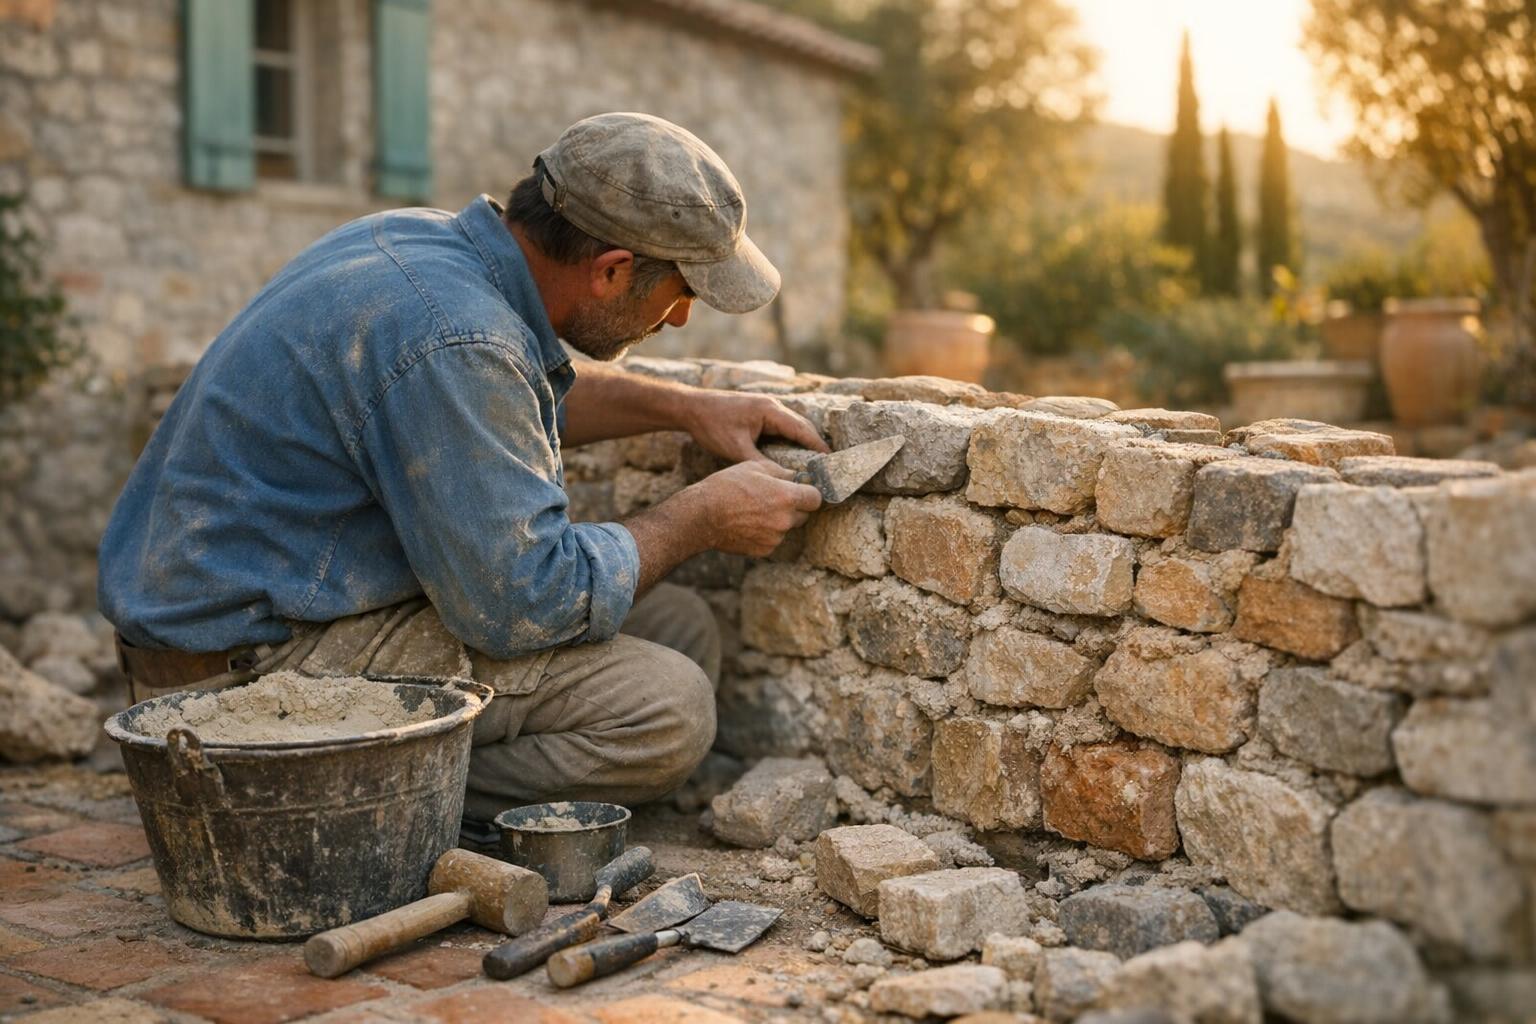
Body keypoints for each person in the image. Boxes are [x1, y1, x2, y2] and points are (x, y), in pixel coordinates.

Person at [98, 112, 826, 829]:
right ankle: (303, 796)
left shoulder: (423, 245)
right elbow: (525, 603)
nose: (679, 322)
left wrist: (688, 408)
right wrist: (699, 518)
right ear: (611, 272)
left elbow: (499, 401)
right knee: (667, 708)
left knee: (679, 624)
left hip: (264, 605)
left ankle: (387, 784)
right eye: (684, 293)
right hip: (239, 668)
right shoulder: (456, 337)